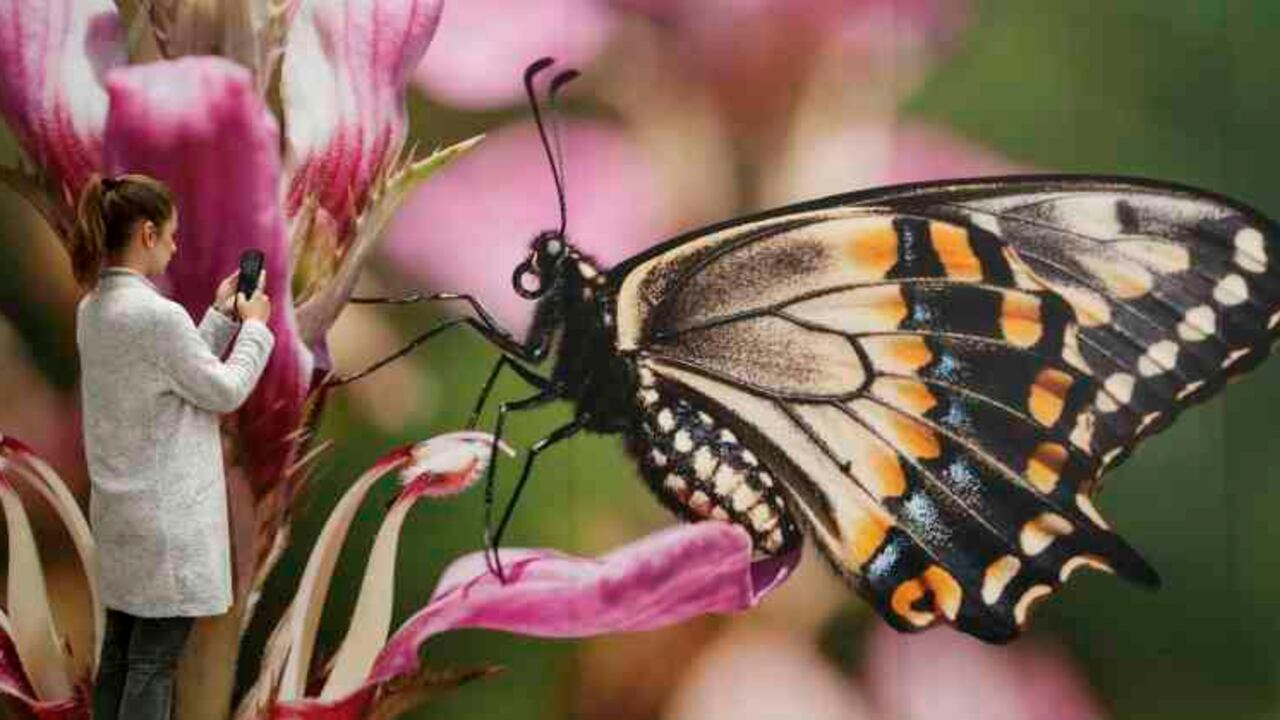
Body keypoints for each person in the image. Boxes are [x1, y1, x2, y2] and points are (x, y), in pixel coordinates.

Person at [71, 173, 275, 720]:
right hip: (168, 523)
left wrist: (216, 318)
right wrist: (255, 329)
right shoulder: (156, 316)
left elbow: (168, 377)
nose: (175, 246)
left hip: (120, 512)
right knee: (154, 663)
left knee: (118, 654)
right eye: (170, 236)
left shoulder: (93, 310)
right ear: (146, 232)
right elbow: (223, 390)